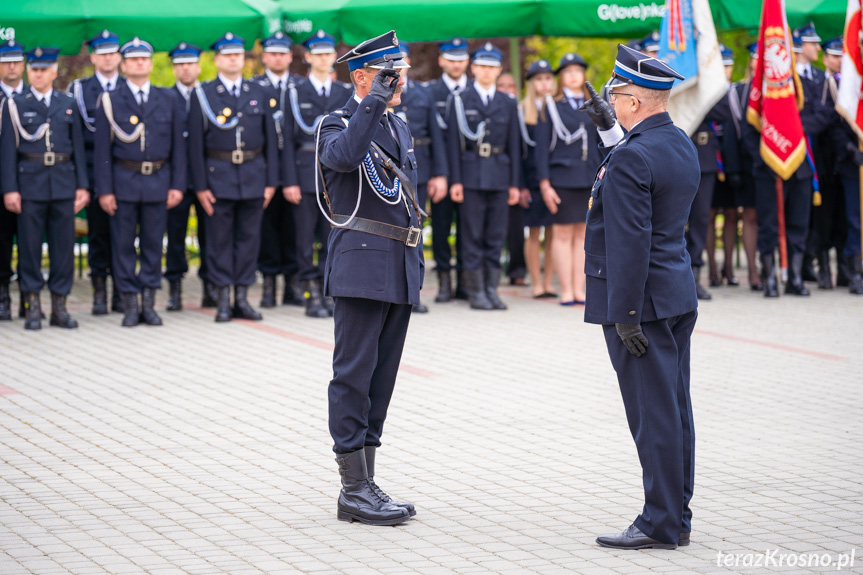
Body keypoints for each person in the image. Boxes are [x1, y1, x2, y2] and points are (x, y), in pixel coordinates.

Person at [581, 43, 699, 549]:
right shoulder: (677, 142)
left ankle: (659, 522)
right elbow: (633, 166)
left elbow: (629, 242)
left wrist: (624, 315)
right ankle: (678, 513)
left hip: (642, 304)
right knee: (674, 410)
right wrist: (609, 130)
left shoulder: (633, 157)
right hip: (675, 293)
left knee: (653, 417)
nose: (615, 103)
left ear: (633, 101)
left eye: (617, 97)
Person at [318, 30, 420, 526]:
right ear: (362, 77)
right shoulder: (335, 122)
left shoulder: (399, 125)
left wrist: (382, 107)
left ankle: (368, 483)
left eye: (398, 72)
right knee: (353, 375)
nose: (399, 81)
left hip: (398, 265)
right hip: (360, 263)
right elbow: (341, 158)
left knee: (382, 377)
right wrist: (372, 103)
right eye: (388, 73)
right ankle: (352, 489)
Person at [94, 38, 186, 327]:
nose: (139, 63)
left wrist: (177, 185)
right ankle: (130, 304)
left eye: (144, 59)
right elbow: (102, 152)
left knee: (152, 244)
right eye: (133, 59)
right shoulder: (110, 100)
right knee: (122, 246)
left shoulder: (168, 98)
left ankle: (149, 303)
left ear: (150, 63)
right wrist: (105, 190)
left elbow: (178, 150)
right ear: (124, 65)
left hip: (159, 182)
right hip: (123, 182)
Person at [188, 32, 279, 322]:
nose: (233, 60)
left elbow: (270, 142)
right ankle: (223, 300)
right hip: (218, 178)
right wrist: (200, 186)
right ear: (217, 60)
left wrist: (270, 182)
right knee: (219, 242)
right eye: (227, 55)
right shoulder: (203, 94)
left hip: (253, 176)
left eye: (238, 55)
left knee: (249, 241)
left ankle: (242, 297)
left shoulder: (259, 92)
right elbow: (195, 147)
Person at [0, 46, 89, 330]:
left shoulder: (68, 102)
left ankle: (59, 307)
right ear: (29, 71)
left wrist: (83, 186)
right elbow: (7, 152)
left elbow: (78, 148)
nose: (38, 74)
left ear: (54, 72)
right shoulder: (14, 105)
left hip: (63, 183)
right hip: (30, 185)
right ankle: (33, 305)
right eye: (34, 69)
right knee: (29, 248)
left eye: (43, 70)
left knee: (63, 249)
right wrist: (10, 188)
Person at [742, 27, 832, 298]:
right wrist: (766, 154)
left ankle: (794, 277)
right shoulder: (762, 87)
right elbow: (749, 127)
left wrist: (790, 130)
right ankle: (770, 277)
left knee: (798, 223)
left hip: (800, 164)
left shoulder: (804, 85)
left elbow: (822, 115)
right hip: (768, 167)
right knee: (768, 223)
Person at [445, 42, 520, 310]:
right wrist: (455, 180)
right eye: (482, 66)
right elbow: (453, 144)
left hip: (499, 175)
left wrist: (514, 184)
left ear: (499, 70)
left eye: (492, 67)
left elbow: (514, 145)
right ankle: (475, 291)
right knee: (472, 235)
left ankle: (491, 289)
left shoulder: (508, 103)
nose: (487, 72)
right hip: (471, 174)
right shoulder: (460, 100)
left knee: (495, 236)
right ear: (473, 68)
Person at [285, 30, 353, 318]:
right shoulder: (294, 92)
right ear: (307, 57)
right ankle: (310, 292)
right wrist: (288, 180)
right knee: (303, 238)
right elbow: (287, 140)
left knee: (332, 237)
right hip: (303, 171)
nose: (324, 58)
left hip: (334, 175)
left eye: (328, 53)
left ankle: (329, 291)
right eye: (318, 53)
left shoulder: (344, 93)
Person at [536, 53, 601, 306]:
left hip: (588, 178)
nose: (574, 76)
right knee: (562, 235)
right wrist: (544, 183)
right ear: (561, 77)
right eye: (568, 71)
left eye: (578, 71)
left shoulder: (595, 105)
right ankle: (565, 290)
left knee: (584, 235)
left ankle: (579, 289)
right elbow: (541, 148)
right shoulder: (551, 105)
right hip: (561, 179)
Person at [390, 42, 448, 313]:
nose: (399, 70)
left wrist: (440, 174)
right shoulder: (378, 95)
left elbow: (436, 137)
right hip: (386, 172)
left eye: (402, 63)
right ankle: (391, 289)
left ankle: (413, 291)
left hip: (418, 170)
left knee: (415, 231)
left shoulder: (422, 95)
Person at [70, 30, 124, 315]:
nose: (107, 58)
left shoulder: (128, 88)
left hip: (125, 174)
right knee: (98, 236)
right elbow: (77, 141)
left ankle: (120, 291)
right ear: (92, 57)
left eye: (112, 52)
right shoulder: (79, 90)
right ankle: (100, 292)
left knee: (123, 235)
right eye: (101, 53)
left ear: (119, 56)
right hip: (93, 173)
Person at [253, 31, 304, 309]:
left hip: (296, 170)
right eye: (272, 53)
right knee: (267, 229)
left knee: (295, 229)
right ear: (264, 57)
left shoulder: (300, 86)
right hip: (265, 170)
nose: (277, 58)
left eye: (282, 53)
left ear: (290, 56)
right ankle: (269, 286)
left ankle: (292, 286)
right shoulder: (254, 87)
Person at [164, 42, 212, 311]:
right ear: (174, 69)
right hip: (176, 180)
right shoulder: (166, 97)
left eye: (190, 63)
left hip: (207, 177)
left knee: (210, 236)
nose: (185, 68)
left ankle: (209, 287)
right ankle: (174, 289)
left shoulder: (208, 95)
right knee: (175, 236)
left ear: (198, 66)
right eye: (180, 63)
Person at [428, 37, 471, 302]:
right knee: (442, 227)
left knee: (469, 228)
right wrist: (438, 173)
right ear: (442, 61)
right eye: (451, 59)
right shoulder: (431, 92)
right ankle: (444, 280)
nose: (456, 65)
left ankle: (466, 281)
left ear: (467, 61)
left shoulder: (474, 92)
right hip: (441, 171)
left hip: (469, 171)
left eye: (461, 59)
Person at [687, 63, 731, 300]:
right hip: (677, 155)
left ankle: (694, 276)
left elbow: (724, 111)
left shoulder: (710, 84)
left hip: (704, 158)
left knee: (701, 219)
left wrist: (700, 95)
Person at [519, 59, 556, 298]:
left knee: (554, 231)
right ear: (532, 83)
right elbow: (518, 151)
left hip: (555, 179)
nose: (544, 83)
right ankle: (536, 282)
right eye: (539, 79)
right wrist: (520, 185)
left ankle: (550, 282)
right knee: (534, 232)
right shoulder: (522, 110)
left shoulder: (559, 108)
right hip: (530, 180)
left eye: (548, 78)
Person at [706, 45, 742, 288]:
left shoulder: (736, 92)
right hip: (708, 159)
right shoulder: (705, 93)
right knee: (708, 216)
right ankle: (711, 269)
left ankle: (728, 267)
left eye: (728, 66)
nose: (726, 70)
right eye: (722, 65)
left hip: (732, 161)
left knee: (731, 214)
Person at [0, 39, 26, 321]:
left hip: (33, 183)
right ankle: (3, 296)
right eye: (6, 61)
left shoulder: (34, 96)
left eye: (17, 61)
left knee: (30, 245)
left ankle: (28, 299)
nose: (12, 67)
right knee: (3, 242)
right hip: (2, 185)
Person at [496, 71, 527, 287]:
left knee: (516, 230)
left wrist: (522, 184)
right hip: (499, 175)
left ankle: (517, 270)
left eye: (511, 85)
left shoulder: (526, 111)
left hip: (521, 178)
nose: (507, 90)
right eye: (502, 85)